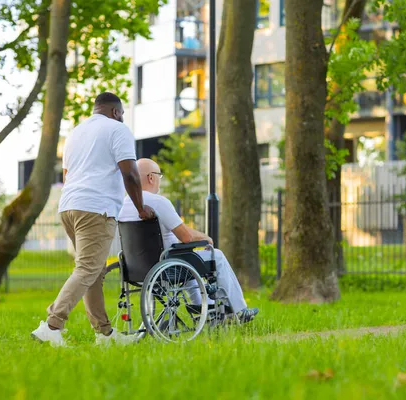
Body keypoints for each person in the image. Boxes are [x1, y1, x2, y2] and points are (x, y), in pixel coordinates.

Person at [31, 93, 155, 347]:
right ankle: (52, 325)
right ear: (115, 112)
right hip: (96, 208)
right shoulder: (118, 130)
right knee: (88, 269)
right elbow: (130, 173)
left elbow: (67, 174)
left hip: (69, 206)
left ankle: (105, 335)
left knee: (93, 271)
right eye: (121, 114)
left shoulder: (76, 133)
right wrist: (140, 208)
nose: (122, 118)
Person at [118, 158, 259, 323]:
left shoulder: (124, 205)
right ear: (151, 177)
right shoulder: (158, 202)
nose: (159, 181)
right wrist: (206, 238)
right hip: (166, 266)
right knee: (216, 256)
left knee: (188, 259)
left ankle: (202, 310)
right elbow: (186, 236)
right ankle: (239, 311)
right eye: (159, 176)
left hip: (136, 268)